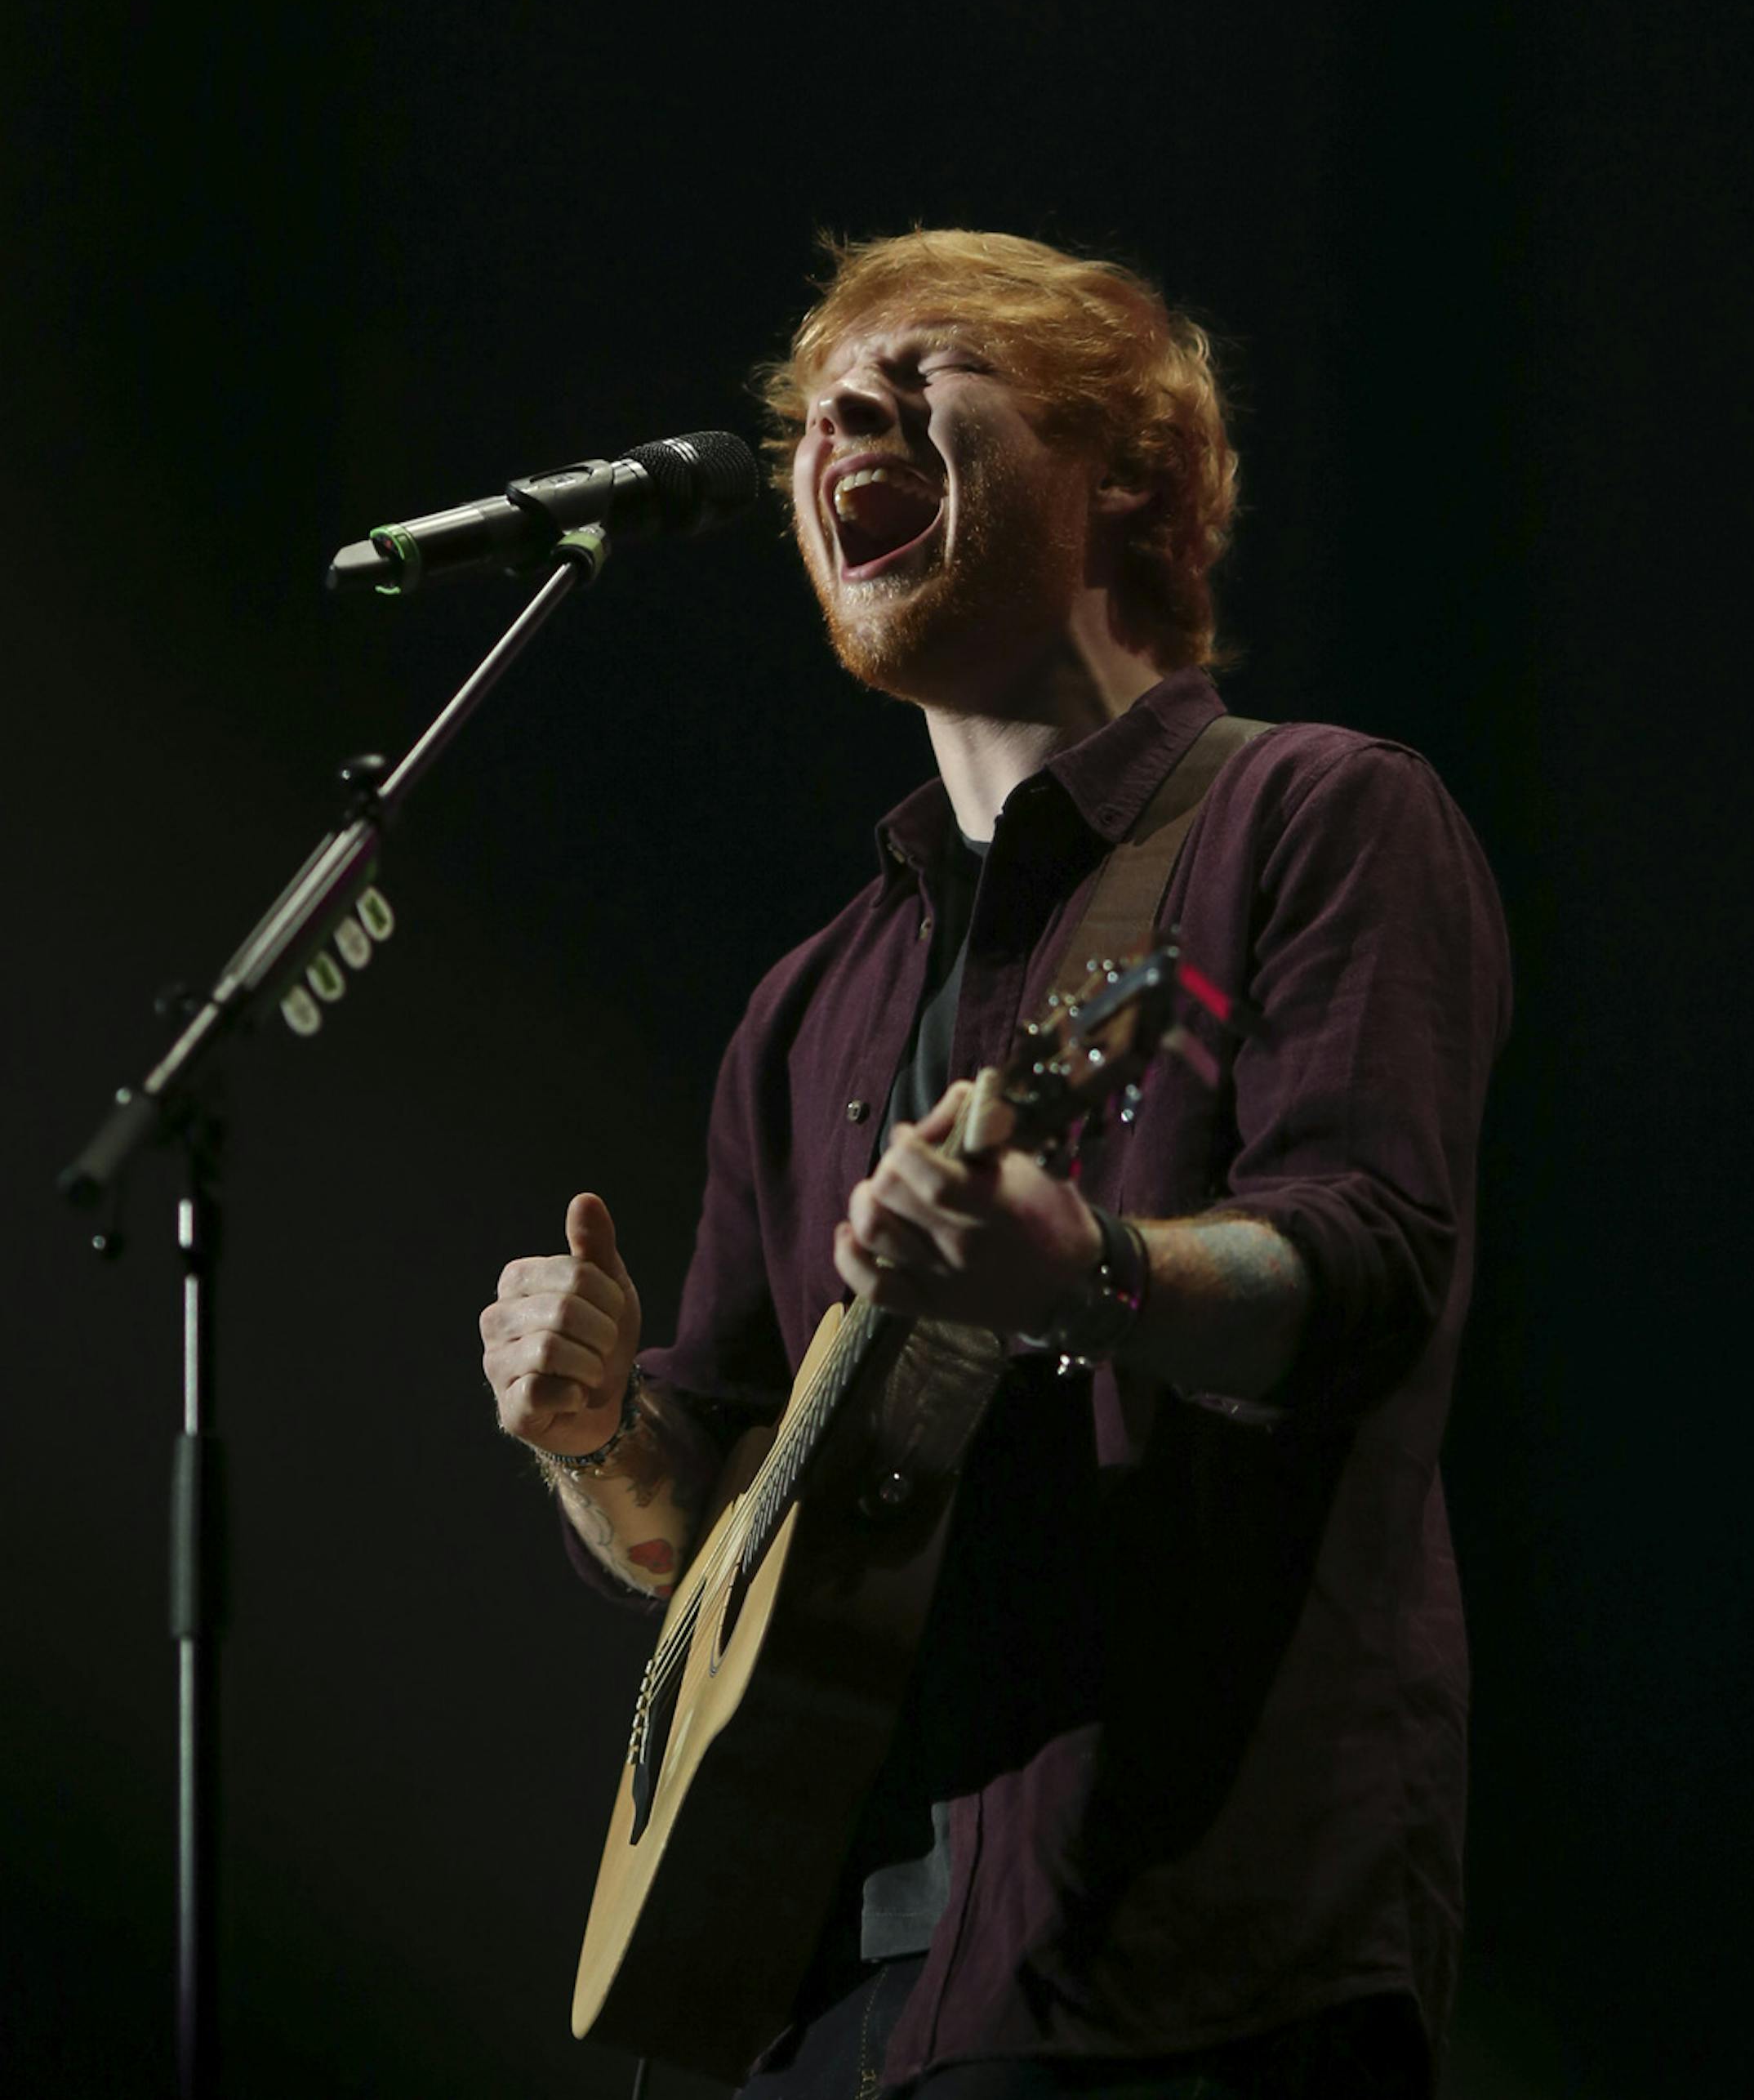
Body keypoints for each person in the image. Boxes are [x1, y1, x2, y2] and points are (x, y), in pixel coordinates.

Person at [479, 229, 1509, 2100]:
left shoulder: (1318, 814)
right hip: (801, 1991)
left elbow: (1368, 1271)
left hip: (1164, 1965)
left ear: (1127, 466)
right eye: (813, 404)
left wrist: (1085, 1268)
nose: (839, 413)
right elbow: (689, 1521)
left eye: (924, 365)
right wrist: (594, 1428)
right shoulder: (812, 1003)